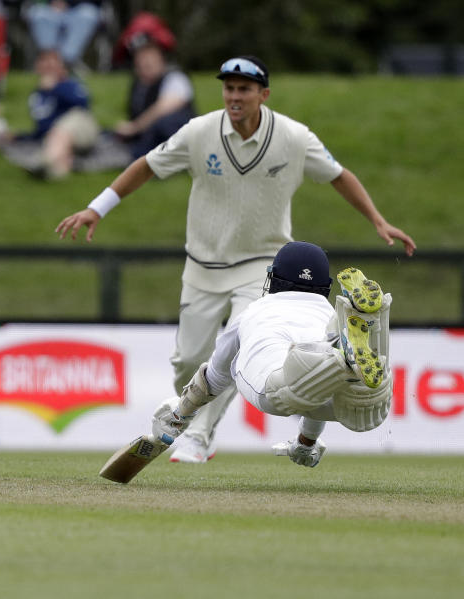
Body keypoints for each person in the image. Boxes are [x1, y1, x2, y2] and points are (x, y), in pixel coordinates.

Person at [56, 55, 416, 464]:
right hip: (203, 265)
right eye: (228, 88)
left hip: (262, 268)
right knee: (189, 361)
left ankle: (199, 437)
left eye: (244, 89)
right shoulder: (198, 132)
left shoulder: (295, 137)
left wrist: (378, 220)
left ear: (263, 94)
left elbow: (338, 174)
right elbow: (147, 166)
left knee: (239, 342)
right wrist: (96, 208)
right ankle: (204, 424)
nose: (234, 96)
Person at [150, 241, 393, 469]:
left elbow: (212, 379)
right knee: (330, 363)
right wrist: (305, 444)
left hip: (279, 386)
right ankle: (362, 345)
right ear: (326, 286)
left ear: (274, 278)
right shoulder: (328, 314)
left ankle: (335, 360)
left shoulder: (253, 312)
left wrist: (178, 416)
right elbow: (314, 401)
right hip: (347, 406)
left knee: (291, 382)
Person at [0, 48, 98, 180]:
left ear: (61, 67)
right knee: (56, 138)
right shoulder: (37, 96)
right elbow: (42, 128)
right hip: (57, 136)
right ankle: (56, 171)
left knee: (60, 131)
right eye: (44, 62)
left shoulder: (70, 84)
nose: (48, 66)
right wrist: (19, 137)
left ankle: (44, 162)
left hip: (80, 125)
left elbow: (83, 104)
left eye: (52, 63)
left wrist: (56, 88)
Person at [113, 29, 195, 160]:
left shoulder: (176, 78)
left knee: (164, 124)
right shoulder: (139, 85)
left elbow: (163, 107)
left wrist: (135, 127)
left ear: (161, 56)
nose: (145, 61)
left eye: (149, 54)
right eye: (139, 56)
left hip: (174, 141)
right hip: (146, 140)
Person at [25, 0, 101, 68]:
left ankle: (66, 61)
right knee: (38, 13)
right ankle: (49, 58)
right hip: (50, 9)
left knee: (88, 13)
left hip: (79, 9)